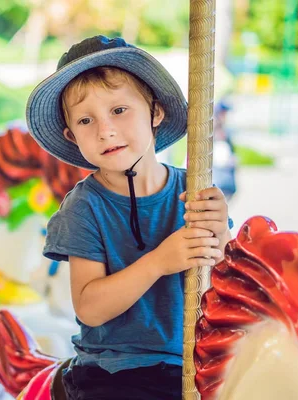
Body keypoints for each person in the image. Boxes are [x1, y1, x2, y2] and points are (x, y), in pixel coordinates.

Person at [26, 35, 233, 399]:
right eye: (86, 120)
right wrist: (158, 262)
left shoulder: (194, 188)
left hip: (200, 357)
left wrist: (221, 237)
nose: (105, 130)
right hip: (118, 368)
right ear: (72, 137)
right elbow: (89, 308)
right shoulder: (85, 206)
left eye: (119, 111)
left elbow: (225, 282)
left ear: (155, 112)